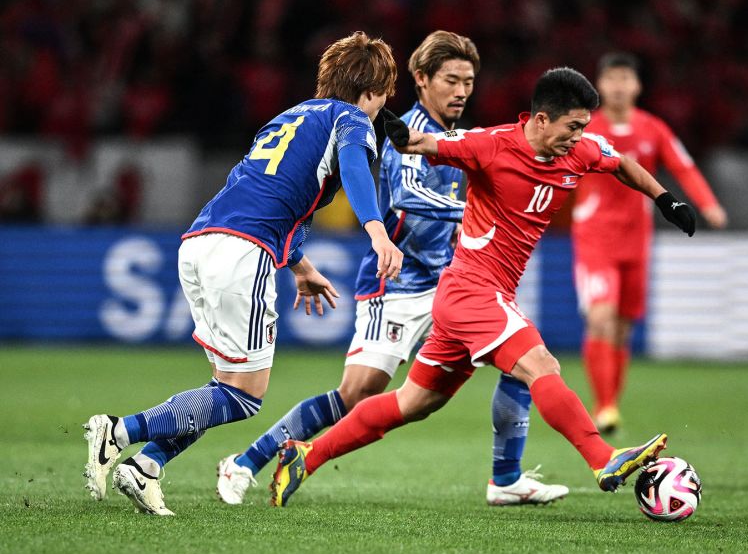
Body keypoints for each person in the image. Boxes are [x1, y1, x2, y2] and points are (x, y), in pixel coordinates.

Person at [269, 66, 698, 506]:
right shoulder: (490, 145)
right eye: (572, 126)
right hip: (472, 292)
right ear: (542, 119)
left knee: (413, 402)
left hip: (476, 297)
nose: (578, 136)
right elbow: (421, 142)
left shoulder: (580, 151)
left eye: (584, 127)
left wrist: (667, 200)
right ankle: (601, 456)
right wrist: (388, 124)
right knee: (541, 366)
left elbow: (622, 163)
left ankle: (306, 455)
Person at [215, 31, 567, 507]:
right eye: (451, 79)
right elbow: (404, 197)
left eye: (468, 80)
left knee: (524, 360)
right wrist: (472, 214)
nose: (462, 90)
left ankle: (505, 479)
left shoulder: (462, 139)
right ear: (421, 80)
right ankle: (245, 462)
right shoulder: (404, 132)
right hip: (397, 285)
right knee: (356, 392)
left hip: (453, 282)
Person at [83, 32, 405, 515]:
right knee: (243, 397)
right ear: (375, 89)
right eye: (386, 93)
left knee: (222, 385)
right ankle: (120, 430)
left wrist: (302, 267)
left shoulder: (288, 117)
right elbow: (357, 169)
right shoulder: (352, 119)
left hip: (200, 241)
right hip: (241, 253)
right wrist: (378, 232)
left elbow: (274, 196)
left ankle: (145, 467)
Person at [571, 52, 728, 434]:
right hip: (595, 239)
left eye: (626, 78)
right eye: (611, 79)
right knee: (600, 318)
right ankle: (603, 406)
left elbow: (683, 167)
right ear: (600, 85)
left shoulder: (652, 128)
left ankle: (611, 404)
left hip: (636, 242)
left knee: (623, 328)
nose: (619, 86)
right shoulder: (586, 128)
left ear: (637, 86)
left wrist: (708, 205)